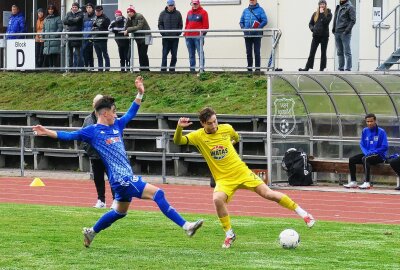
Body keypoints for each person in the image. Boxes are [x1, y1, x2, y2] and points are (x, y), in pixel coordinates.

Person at [32, 76, 203, 248]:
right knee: (158, 194)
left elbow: (131, 112)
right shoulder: (91, 131)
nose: (116, 114)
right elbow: (68, 136)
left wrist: (140, 94)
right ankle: (186, 226)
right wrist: (46, 131)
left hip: (120, 180)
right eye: (114, 111)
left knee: (120, 212)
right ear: (105, 113)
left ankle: (91, 232)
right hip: (122, 179)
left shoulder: (117, 125)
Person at [173, 107, 315, 249]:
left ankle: (304, 214)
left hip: (241, 172)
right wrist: (179, 127)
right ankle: (229, 234)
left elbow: (236, 137)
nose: (214, 125)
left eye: (215, 121)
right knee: (217, 199)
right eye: (210, 123)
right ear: (203, 123)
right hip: (223, 179)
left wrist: (229, 144)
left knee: (269, 194)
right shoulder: (198, 136)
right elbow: (178, 141)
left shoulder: (226, 128)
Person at [82, 94, 115, 209]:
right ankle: (101, 200)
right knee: (98, 179)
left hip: (108, 156)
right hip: (95, 155)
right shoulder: (88, 119)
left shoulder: (109, 117)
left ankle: (116, 200)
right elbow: (83, 136)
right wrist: (88, 150)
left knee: (113, 178)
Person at [344, 114, 388, 189]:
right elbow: (362, 144)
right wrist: (367, 152)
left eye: (371, 121)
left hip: (379, 156)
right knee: (352, 159)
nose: (369, 123)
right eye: (368, 121)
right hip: (368, 154)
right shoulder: (365, 131)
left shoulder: (381, 132)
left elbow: (385, 146)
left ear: (375, 121)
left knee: (365, 159)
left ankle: (367, 182)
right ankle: (353, 182)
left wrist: (374, 151)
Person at [299, 0, 332, 72]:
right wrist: (313, 29)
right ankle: (307, 67)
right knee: (312, 52)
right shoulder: (315, 14)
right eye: (321, 4)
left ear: (325, 5)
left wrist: (322, 13)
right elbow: (310, 23)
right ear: (319, 5)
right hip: (316, 36)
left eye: (323, 4)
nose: (322, 5)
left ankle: (322, 68)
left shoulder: (329, 13)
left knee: (323, 53)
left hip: (324, 36)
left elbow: (326, 22)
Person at [239, 0, 268, 72]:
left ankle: (257, 69)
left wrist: (258, 28)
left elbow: (265, 20)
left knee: (257, 52)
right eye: (250, 0)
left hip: (257, 35)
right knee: (248, 52)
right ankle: (249, 69)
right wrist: (243, 29)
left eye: (253, 0)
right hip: (247, 35)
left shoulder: (260, 10)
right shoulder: (245, 10)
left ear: (256, 1)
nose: (251, 1)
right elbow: (241, 21)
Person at [184, 0, 209, 72]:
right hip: (188, 36)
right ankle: (192, 69)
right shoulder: (189, 12)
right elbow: (186, 24)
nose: (194, 5)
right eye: (193, 4)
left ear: (199, 4)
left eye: (196, 4)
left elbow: (206, 26)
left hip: (198, 37)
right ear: (191, 4)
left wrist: (201, 35)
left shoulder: (203, 12)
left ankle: (201, 69)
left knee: (200, 53)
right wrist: (185, 33)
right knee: (191, 54)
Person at [158, 0, 183, 72]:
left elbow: (180, 25)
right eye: (170, 5)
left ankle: (172, 69)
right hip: (166, 38)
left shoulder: (178, 14)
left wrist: (177, 33)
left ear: (174, 5)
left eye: (172, 5)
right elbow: (160, 24)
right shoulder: (162, 14)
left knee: (174, 55)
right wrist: (163, 33)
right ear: (167, 5)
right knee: (164, 54)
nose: (171, 7)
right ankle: (163, 70)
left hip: (175, 38)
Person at [124, 6, 151, 71]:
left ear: (133, 12)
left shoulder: (139, 16)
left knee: (143, 53)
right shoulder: (130, 18)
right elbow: (126, 27)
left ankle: (144, 69)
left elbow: (139, 27)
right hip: (139, 38)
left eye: (130, 12)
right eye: (127, 12)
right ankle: (144, 68)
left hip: (146, 36)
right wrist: (128, 20)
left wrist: (128, 30)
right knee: (141, 53)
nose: (129, 13)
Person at [332, 0, 356, 71]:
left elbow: (353, 20)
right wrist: (333, 29)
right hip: (337, 32)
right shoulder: (338, 7)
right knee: (339, 52)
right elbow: (335, 18)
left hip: (345, 33)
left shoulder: (350, 7)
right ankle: (341, 68)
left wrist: (346, 31)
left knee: (347, 52)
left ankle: (348, 68)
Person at [63, 2, 84, 70]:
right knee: (70, 54)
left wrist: (70, 20)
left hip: (77, 36)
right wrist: (72, 20)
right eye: (73, 7)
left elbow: (77, 20)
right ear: (72, 7)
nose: (74, 8)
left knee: (78, 54)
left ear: (78, 8)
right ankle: (70, 68)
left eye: (76, 7)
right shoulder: (68, 13)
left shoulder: (81, 14)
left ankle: (78, 68)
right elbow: (64, 21)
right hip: (70, 36)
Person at [42, 4, 63, 69]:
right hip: (47, 39)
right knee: (48, 54)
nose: (50, 10)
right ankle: (50, 68)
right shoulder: (45, 19)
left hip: (54, 39)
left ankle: (55, 68)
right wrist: (43, 36)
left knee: (54, 54)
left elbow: (60, 28)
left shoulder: (57, 18)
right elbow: (43, 29)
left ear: (54, 10)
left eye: (51, 9)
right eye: (49, 9)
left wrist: (55, 35)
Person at [92, 5, 110, 72]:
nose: (97, 12)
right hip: (95, 39)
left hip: (102, 39)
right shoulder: (94, 18)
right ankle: (100, 69)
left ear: (102, 11)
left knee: (105, 54)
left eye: (99, 11)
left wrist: (97, 28)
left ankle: (107, 69)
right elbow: (92, 27)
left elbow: (106, 29)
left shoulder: (106, 18)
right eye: (96, 11)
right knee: (99, 55)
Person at [82, 3, 96, 70]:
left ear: (92, 8)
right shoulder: (84, 16)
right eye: (87, 7)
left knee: (90, 52)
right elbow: (82, 27)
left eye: (90, 7)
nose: (88, 8)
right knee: (85, 51)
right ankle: (86, 65)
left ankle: (91, 66)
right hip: (85, 37)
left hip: (91, 37)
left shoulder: (95, 16)